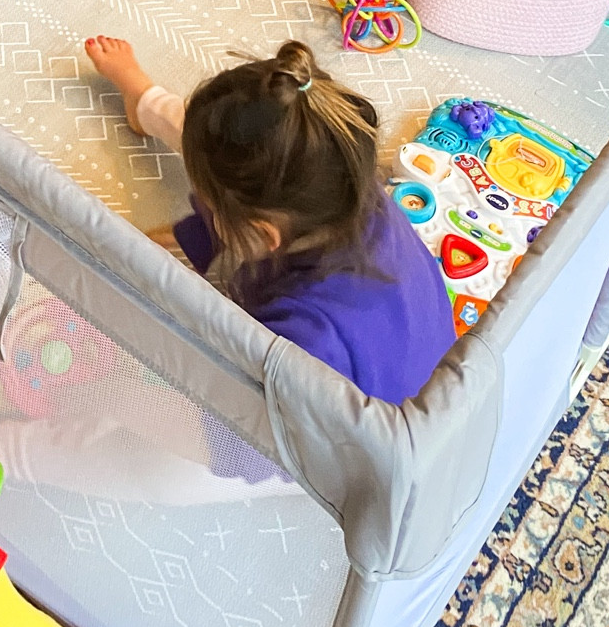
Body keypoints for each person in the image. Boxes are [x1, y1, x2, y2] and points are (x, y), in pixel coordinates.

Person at [84, 33, 455, 404]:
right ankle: (145, 101)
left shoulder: (295, 345)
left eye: (207, 205)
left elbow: (233, 423)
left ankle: (151, 108)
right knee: (232, 158)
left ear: (262, 235)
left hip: (352, 439)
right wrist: (169, 239)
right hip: (429, 364)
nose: (199, 205)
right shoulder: (343, 181)